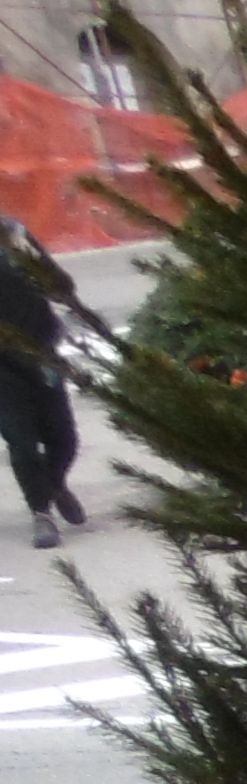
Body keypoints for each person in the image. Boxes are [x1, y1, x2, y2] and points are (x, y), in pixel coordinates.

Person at [0, 215, 91, 550]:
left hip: (41, 352)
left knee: (64, 439)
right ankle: (41, 513)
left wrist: (40, 268)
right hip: (2, 367)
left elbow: (60, 286)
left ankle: (54, 484)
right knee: (22, 442)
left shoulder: (14, 234)